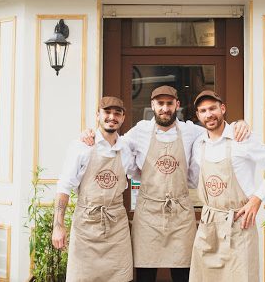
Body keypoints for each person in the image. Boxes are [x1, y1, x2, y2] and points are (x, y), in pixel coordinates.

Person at [82, 85, 250, 282]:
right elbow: (113, 143)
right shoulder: (139, 131)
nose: (165, 108)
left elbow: (217, 129)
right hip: (148, 215)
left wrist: (239, 123)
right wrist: (90, 133)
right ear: (152, 105)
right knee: (145, 274)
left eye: (169, 103)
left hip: (180, 214)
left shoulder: (192, 131)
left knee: (183, 273)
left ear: (177, 105)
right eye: (160, 103)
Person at [189, 90, 265, 282]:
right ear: (198, 116)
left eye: (213, 108)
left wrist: (257, 199)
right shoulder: (198, 143)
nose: (209, 114)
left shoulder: (242, 137)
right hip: (209, 226)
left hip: (239, 224)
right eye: (203, 111)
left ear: (222, 108)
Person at [52, 96, 137, 282]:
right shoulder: (81, 147)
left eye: (117, 113)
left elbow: (140, 174)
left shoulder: (127, 148)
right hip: (86, 226)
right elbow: (64, 186)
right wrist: (58, 226)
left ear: (123, 118)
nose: (112, 117)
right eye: (107, 112)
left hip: (116, 227)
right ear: (98, 115)